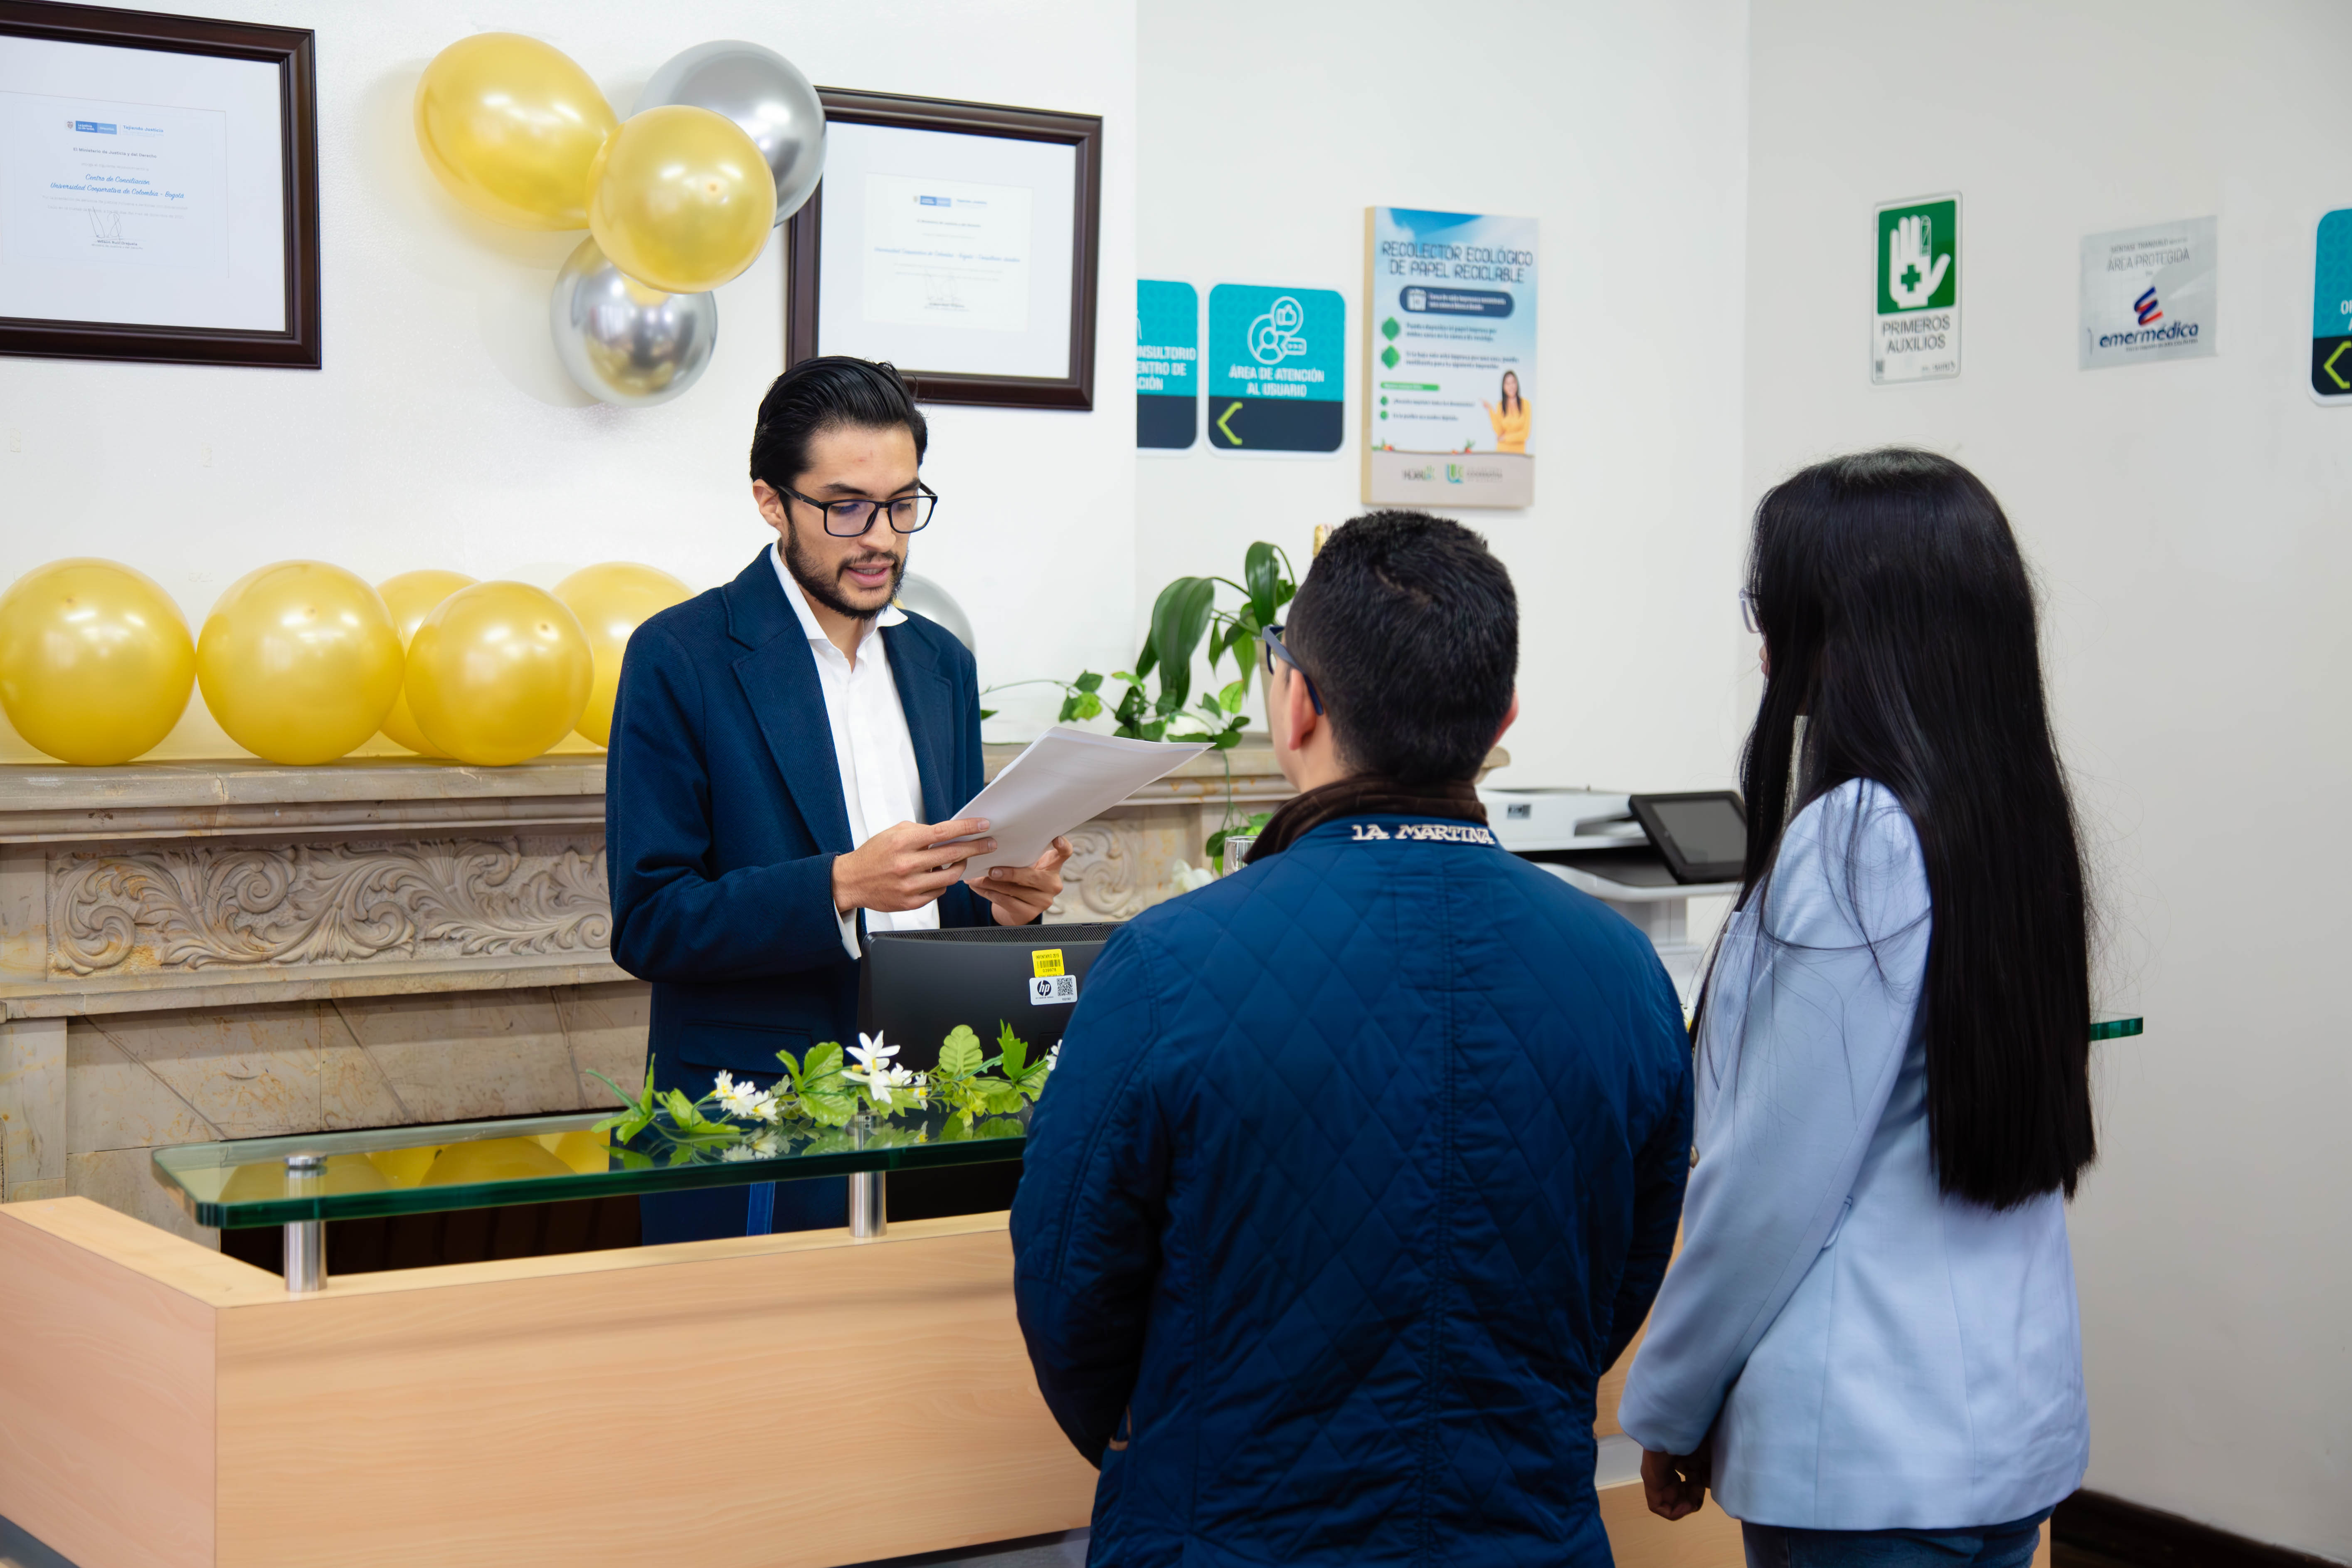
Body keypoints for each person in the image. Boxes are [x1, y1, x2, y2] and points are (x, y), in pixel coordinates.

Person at [1010, 510, 1694, 1567]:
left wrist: (1166, 1445)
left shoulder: (1166, 964)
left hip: (1223, 1533)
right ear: (1503, 715)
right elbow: (1624, 1273)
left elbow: (1070, 1285)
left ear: (1296, 701)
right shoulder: (1624, 972)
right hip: (1525, 1535)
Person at [1619, 449, 2095, 1567]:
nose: (1763, 642)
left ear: (1841, 633)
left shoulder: (1856, 838)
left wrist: (1670, 1399)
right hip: (2003, 1440)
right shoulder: (2013, 817)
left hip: (1864, 1455)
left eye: (1769, 608)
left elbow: (1770, 1184)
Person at [606, 356, 1071, 1243]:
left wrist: (1003, 902)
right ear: (771, 501)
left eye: (903, 504)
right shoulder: (681, 656)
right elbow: (652, 920)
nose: (882, 539)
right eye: (847, 506)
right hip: (759, 1125)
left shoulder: (941, 661)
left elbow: (940, 901)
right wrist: (840, 886)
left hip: (941, 1114)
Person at [1482, 368, 1530, 454]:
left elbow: (1525, 434)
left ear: (1517, 384)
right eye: (1508, 384)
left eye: (1513, 383)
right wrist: (1490, 411)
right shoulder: (1500, 406)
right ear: (1504, 387)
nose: (1511, 386)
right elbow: (1499, 432)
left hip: (1519, 453)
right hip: (1502, 451)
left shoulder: (1526, 404)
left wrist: (1506, 438)